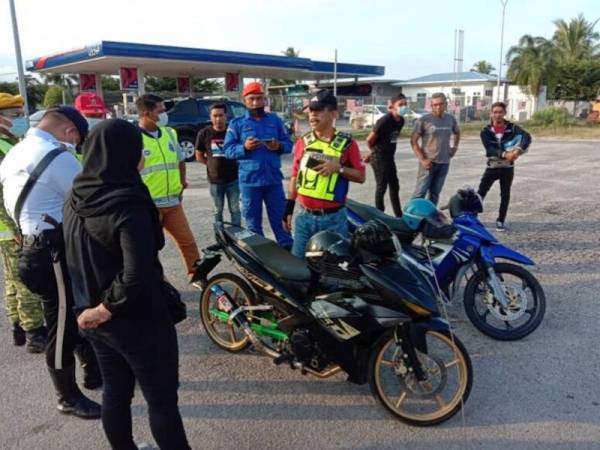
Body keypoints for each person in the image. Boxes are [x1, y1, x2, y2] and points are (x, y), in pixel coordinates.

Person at [63, 119, 190, 450]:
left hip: (93, 317)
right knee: (161, 401)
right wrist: (106, 310)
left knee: (116, 394)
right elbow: (138, 273)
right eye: (139, 151)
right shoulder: (127, 204)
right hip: (135, 319)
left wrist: (93, 311)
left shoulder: (77, 193)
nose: (143, 158)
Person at [0, 106, 101, 418]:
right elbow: (89, 199)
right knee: (61, 329)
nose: (75, 146)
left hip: (35, 248)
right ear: (70, 131)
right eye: (76, 140)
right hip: (51, 252)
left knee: (72, 314)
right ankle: (67, 396)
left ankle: (92, 370)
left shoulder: (15, 151)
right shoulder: (56, 157)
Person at [283, 90, 366, 258]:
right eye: (311, 110)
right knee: (298, 268)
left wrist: (339, 169)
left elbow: (361, 176)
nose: (313, 115)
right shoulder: (303, 142)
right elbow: (294, 175)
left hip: (333, 220)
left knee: (335, 272)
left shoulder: (347, 144)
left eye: (319, 110)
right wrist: (288, 208)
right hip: (304, 217)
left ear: (334, 113)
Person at [0, 93, 46, 352]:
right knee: (25, 279)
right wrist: (16, 227)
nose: (19, 119)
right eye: (14, 115)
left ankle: (18, 325)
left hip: (10, 226)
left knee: (13, 280)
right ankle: (34, 333)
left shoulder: (9, 142)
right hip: (11, 227)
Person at [137, 95, 200, 281]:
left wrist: (182, 183)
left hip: (173, 202)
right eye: (161, 111)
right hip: (149, 205)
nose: (165, 114)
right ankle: (158, 282)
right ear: (147, 114)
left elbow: (180, 161)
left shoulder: (170, 133)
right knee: (150, 248)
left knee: (187, 241)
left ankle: (197, 275)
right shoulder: (134, 137)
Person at [224, 82, 293, 248]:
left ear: (265, 100)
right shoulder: (237, 124)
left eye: (259, 98)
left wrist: (279, 147)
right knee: (253, 225)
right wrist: (244, 148)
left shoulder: (275, 121)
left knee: (280, 220)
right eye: (252, 99)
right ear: (245, 101)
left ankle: (288, 252)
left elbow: (289, 144)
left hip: (273, 181)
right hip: (249, 182)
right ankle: (260, 257)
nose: (256, 103)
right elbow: (227, 150)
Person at [478, 101, 532, 231]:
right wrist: (504, 153)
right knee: (480, 193)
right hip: (492, 166)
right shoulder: (485, 131)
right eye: (495, 112)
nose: (497, 115)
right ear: (491, 113)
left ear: (504, 113)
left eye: (500, 112)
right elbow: (489, 149)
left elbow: (527, 137)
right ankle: (473, 217)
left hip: (507, 167)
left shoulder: (512, 128)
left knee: (505, 194)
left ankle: (501, 221)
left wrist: (518, 150)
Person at [410, 92, 461, 205]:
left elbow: (457, 132)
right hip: (429, 164)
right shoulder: (424, 120)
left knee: (435, 194)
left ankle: (430, 219)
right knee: (420, 194)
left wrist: (455, 147)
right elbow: (413, 141)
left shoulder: (450, 119)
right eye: (435, 104)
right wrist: (422, 159)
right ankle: (410, 217)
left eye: (441, 104)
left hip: (444, 162)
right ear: (431, 106)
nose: (438, 107)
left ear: (446, 104)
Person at [195, 103, 241, 226]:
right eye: (215, 116)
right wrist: (210, 165)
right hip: (215, 181)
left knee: (235, 210)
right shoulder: (204, 133)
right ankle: (220, 237)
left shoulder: (233, 132)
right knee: (217, 211)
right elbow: (199, 156)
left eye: (221, 115)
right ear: (210, 116)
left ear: (226, 116)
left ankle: (237, 237)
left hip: (233, 180)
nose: (218, 119)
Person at [364, 93, 408, 217]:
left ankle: (398, 215)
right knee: (381, 187)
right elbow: (369, 140)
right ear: (392, 107)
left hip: (389, 157)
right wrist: (373, 152)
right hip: (379, 158)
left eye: (405, 104)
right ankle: (380, 215)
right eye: (400, 105)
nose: (403, 107)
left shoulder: (401, 121)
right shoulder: (384, 121)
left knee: (395, 185)